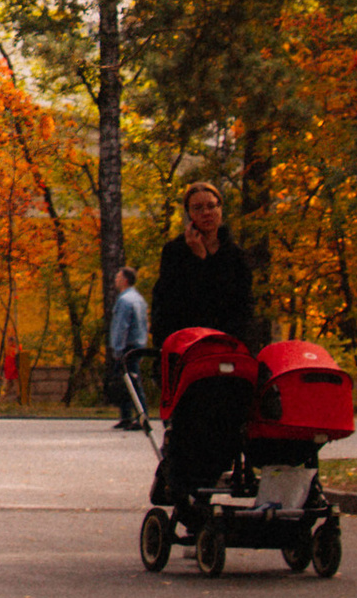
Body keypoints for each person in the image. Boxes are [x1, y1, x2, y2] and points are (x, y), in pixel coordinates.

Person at [149, 180, 258, 353]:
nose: (206, 213)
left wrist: (204, 260)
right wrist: (198, 260)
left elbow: (240, 306)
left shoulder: (236, 255)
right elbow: (170, 305)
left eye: (211, 206)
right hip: (186, 347)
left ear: (220, 209)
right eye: (198, 208)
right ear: (189, 214)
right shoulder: (175, 252)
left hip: (228, 346)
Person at [103, 264, 151, 431]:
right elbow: (145, 324)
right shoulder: (139, 299)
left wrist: (117, 348)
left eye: (117, 277)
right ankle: (126, 416)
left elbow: (121, 326)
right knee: (127, 381)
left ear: (125, 280)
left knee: (131, 382)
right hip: (137, 344)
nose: (115, 280)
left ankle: (140, 417)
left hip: (126, 346)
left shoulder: (124, 300)